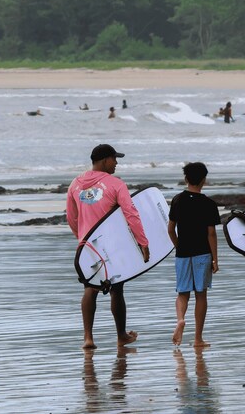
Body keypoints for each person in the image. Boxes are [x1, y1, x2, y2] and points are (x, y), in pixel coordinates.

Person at [66, 144, 150, 349]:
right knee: (117, 289)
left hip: (88, 246)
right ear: (104, 160)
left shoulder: (75, 184)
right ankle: (121, 335)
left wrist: (82, 241)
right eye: (114, 159)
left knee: (90, 288)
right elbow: (131, 213)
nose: (117, 163)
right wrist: (142, 242)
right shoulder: (115, 184)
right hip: (112, 245)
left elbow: (71, 217)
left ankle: (88, 338)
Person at [167, 162, 220, 348]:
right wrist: (215, 258)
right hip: (202, 254)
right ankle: (198, 338)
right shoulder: (209, 204)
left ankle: (180, 319)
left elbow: (171, 229)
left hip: (183, 253)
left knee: (182, 292)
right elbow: (211, 233)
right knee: (201, 295)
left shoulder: (177, 200)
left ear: (185, 179)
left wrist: (178, 246)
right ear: (204, 180)